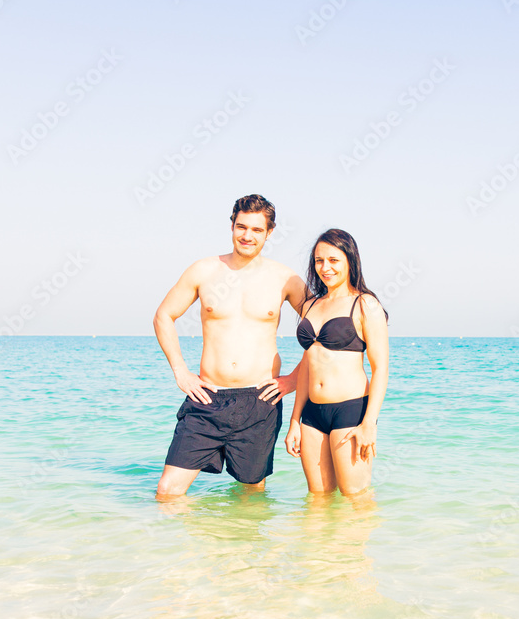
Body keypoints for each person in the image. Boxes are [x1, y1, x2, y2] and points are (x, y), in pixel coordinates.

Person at [154, 194, 307, 498]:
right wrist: (180, 371)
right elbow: (163, 316)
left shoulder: (285, 279)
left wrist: (292, 379)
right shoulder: (204, 270)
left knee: (252, 496)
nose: (247, 236)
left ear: (270, 232)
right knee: (168, 492)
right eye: (241, 227)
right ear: (232, 225)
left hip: (259, 401)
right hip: (207, 398)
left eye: (257, 230)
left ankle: (238, 547)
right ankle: (186, 547)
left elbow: (323, 332)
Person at [285, 229, 389, 496]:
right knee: (317, 501)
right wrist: (295, 420)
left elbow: (380, 370)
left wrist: (369, 424)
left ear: (350, 261)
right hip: (312, 414)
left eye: (333, 260)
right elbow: (308, 365)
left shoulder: (365, 305)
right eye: (319, 261)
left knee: (356, 499)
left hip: (351, 412)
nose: (325, 267)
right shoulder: (311, 305)